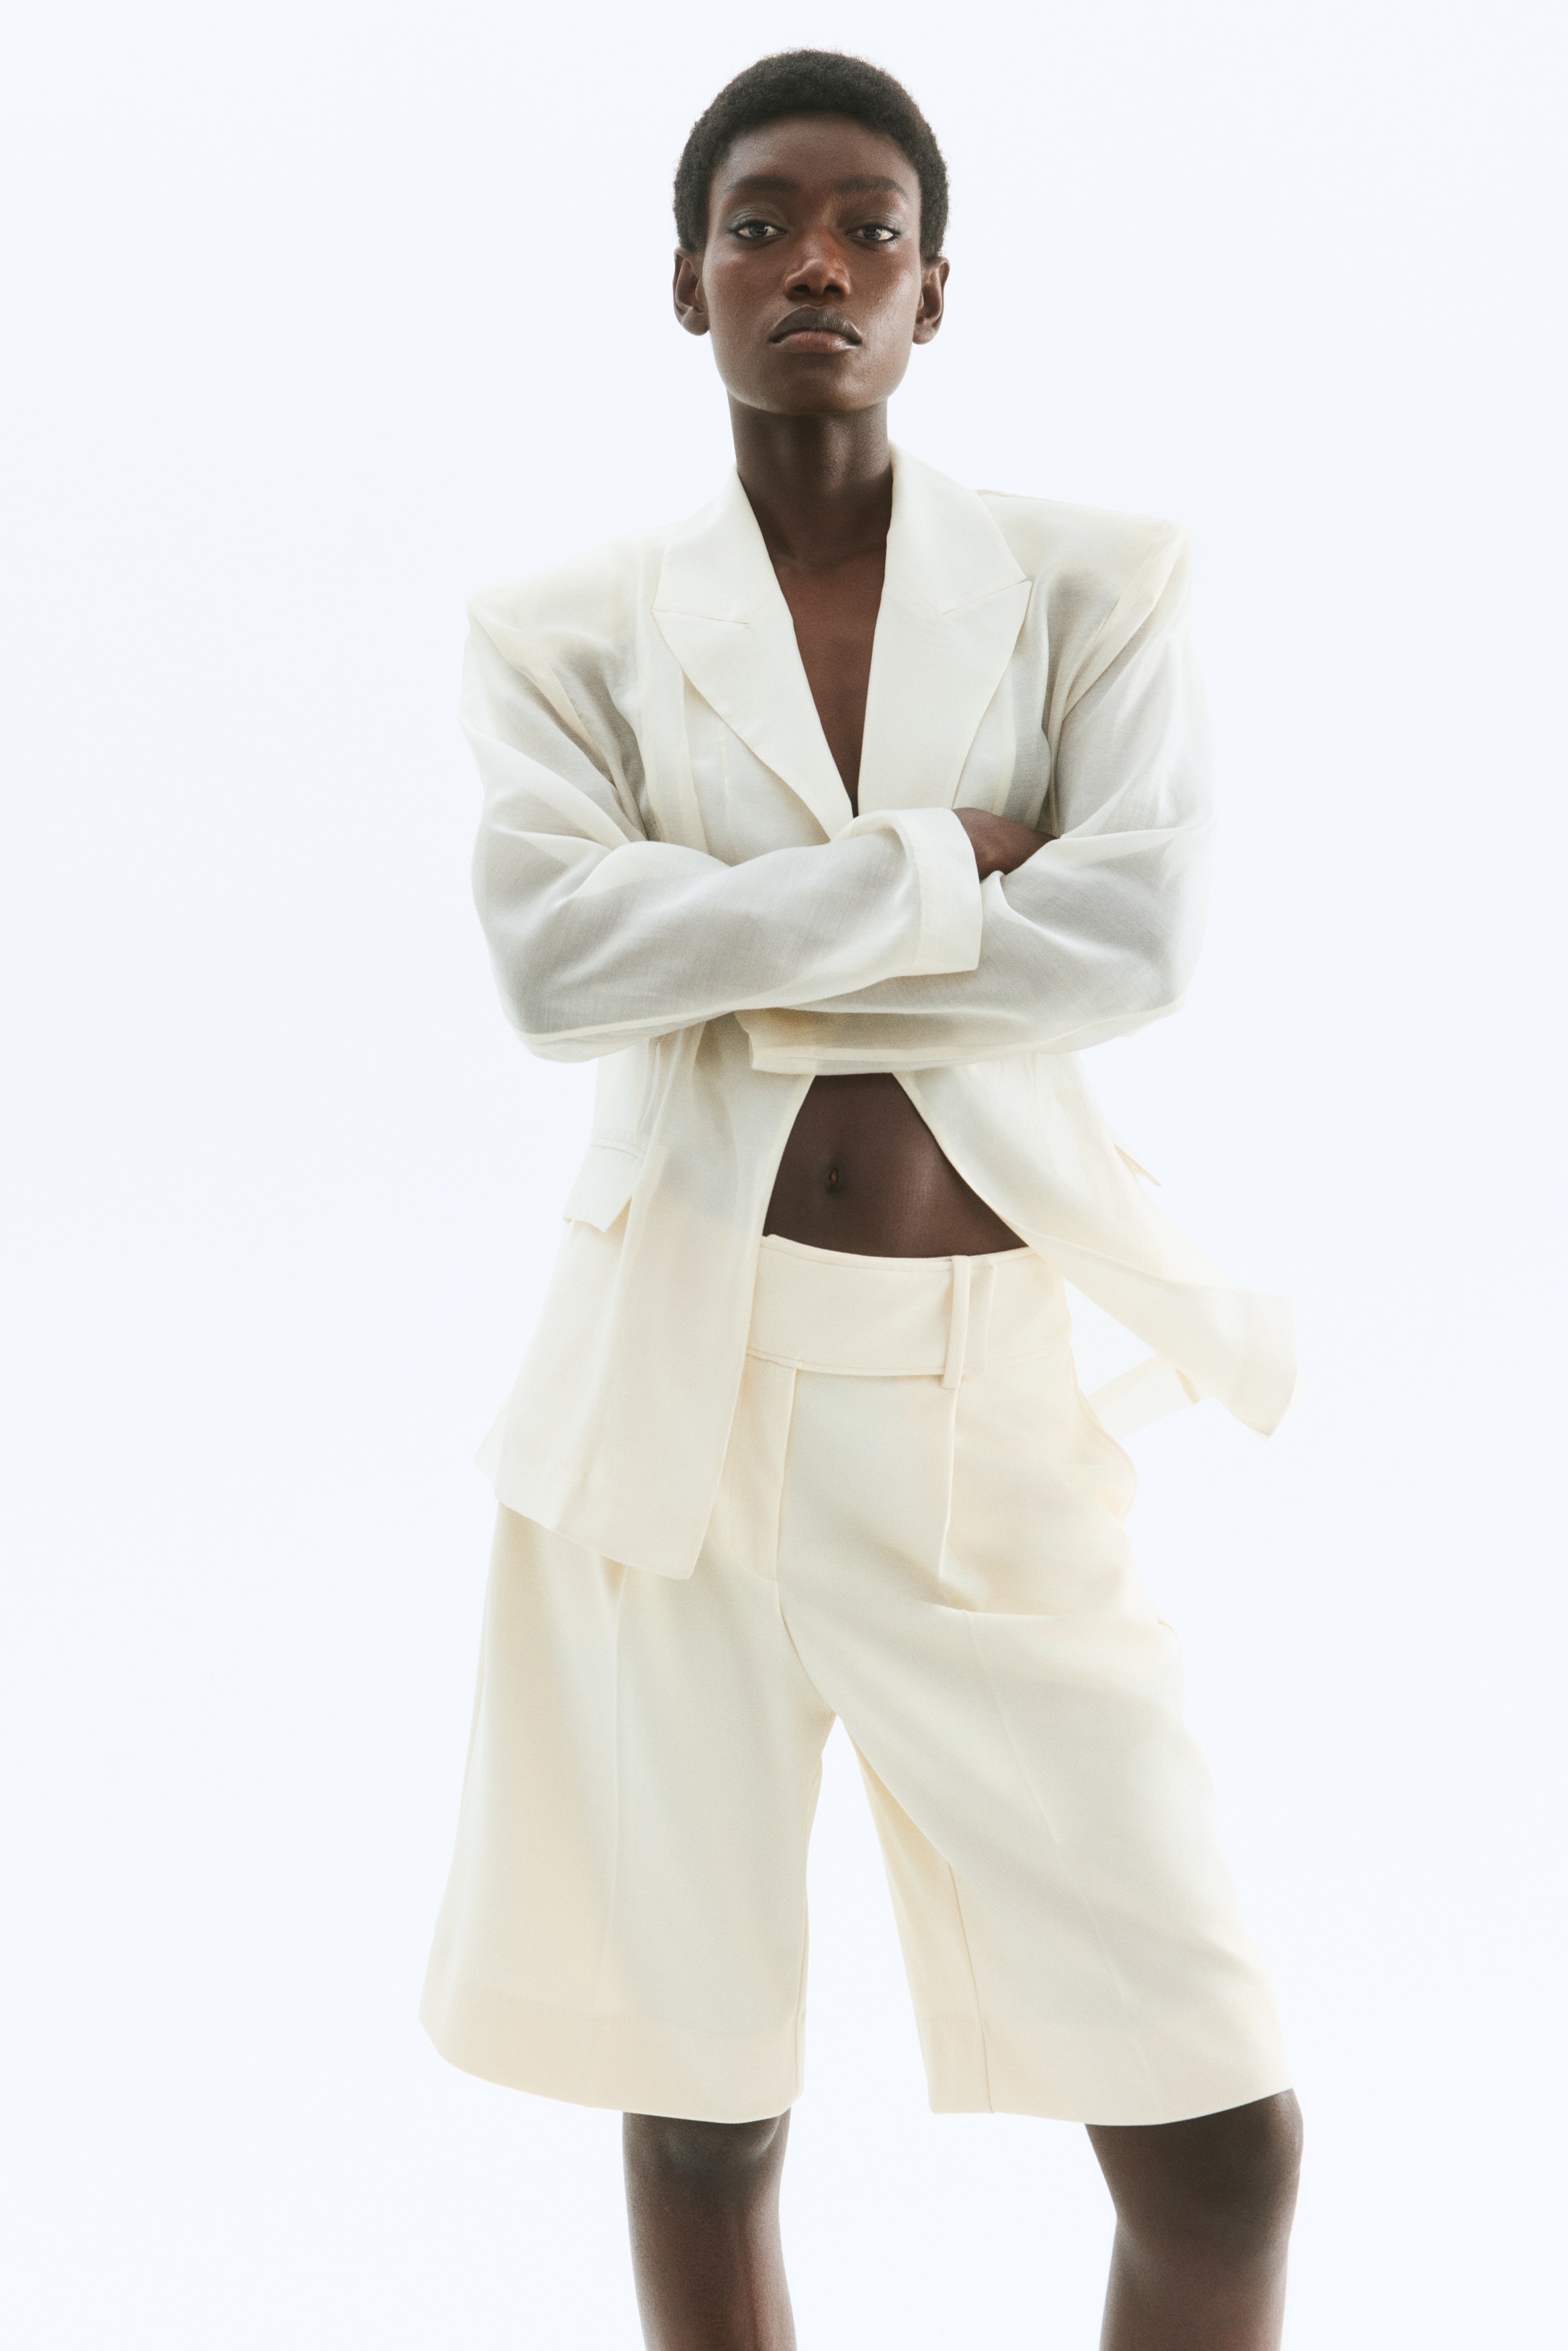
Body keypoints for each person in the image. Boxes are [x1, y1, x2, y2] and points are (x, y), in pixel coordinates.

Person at [422, 48, 1303, 2351]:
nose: (814, 263)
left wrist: (723, 934)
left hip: (988, 1419)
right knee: (704, 2105)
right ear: (688, 282)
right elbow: (557, 966)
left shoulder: (1097, 585)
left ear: (933, 289)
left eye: (867, 230)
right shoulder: (566, 629)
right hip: (672, 1417)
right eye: (761, 226)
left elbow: (1136, 937)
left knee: (1220, 2129)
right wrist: (934, 873)